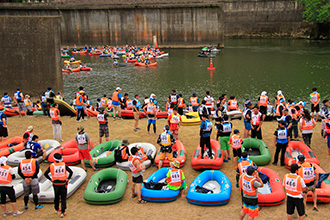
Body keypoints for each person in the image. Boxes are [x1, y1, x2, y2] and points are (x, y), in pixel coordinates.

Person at [44, 153, 73, 218]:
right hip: (63, 183)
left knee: (56, 196)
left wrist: (50, 179)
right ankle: (63, 211)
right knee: (63, 198)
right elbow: (71, 172)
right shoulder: (64, 165)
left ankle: (57, 208)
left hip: (55, 184)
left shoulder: (52, 166)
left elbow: (45, 173)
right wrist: (68, 179)